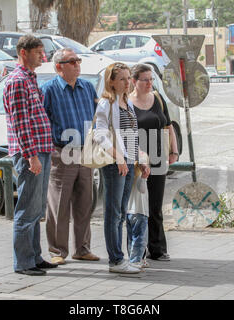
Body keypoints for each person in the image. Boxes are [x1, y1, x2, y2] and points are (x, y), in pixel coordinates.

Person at [3, 35, 58, 276]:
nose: (42, 56)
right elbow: (21, 123)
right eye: (37, 51)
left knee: (36, 208)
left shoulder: (30, 78)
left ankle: (34, 256)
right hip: (30, 153)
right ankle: (24, 262)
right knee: (26, 208)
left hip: (41, 151)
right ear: (23, 53)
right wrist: (31, 155)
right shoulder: (17, 81)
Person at [41, 48, 100, 265]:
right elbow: (42, 123)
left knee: (85, 202)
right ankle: (58, 251)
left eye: (78, 61)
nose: (77, 64)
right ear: (59, 67)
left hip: (85, 151)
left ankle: (82, 249)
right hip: (61, 151)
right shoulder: (48, 90)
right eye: (72, 61)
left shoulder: (88, 88)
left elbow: (96, 119)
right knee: (59, 204)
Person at [94, 62, 149, 274]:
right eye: (122, 79)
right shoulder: (107, 103)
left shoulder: (127, 102)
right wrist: (118, 157)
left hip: (128, 163)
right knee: (113, 212)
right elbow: (100, 134)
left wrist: (139, 159)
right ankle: (115, 260)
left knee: (121, 212)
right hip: (114, 164)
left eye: (128, 78)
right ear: (112, 82)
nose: (127, 83)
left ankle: (118, 259)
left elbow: (131, 136)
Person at [129, 63, 179, 262]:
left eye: (151, 79)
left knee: (156, 205)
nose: (149, 83)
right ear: (134, 81)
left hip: (158, 158)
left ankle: (157, 248)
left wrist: (173, 151)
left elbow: (168, 126)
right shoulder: (127, 102)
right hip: (137, 160)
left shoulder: (157, 98)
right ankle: (137, 249)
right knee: (137, 206)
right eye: (145, 80)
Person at [126, 164, 150, 269]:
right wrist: (144, 177)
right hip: (140, 211)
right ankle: (135, 261)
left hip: (129, 211)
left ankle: (134, 258)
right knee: (140, 239)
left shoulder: (129, 178)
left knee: (131, 238)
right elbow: (142, 189)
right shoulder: (140, 177)